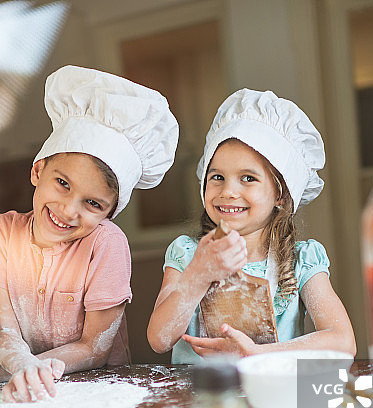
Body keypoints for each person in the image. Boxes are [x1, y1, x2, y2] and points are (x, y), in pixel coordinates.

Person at [0, 65, 178, 401]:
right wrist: (19, 367)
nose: (68, 210)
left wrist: (19, 369)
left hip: (102, 393)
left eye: (92, 203)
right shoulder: (2, 232)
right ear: (37, 170)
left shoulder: (106, 244)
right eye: (62, 184)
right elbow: (7, 332)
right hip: (29, 386)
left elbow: (95, 348)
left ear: (110, 213)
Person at [147, 89, 355, 363]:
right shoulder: (187, 254)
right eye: (217, 176)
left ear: (281, 194)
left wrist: (257, 353)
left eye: (247, 178)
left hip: (271, 398)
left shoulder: (300, 261)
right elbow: (159, 340)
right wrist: (197, 275)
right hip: (198, 398)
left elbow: (343, 341)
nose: (228, 191)